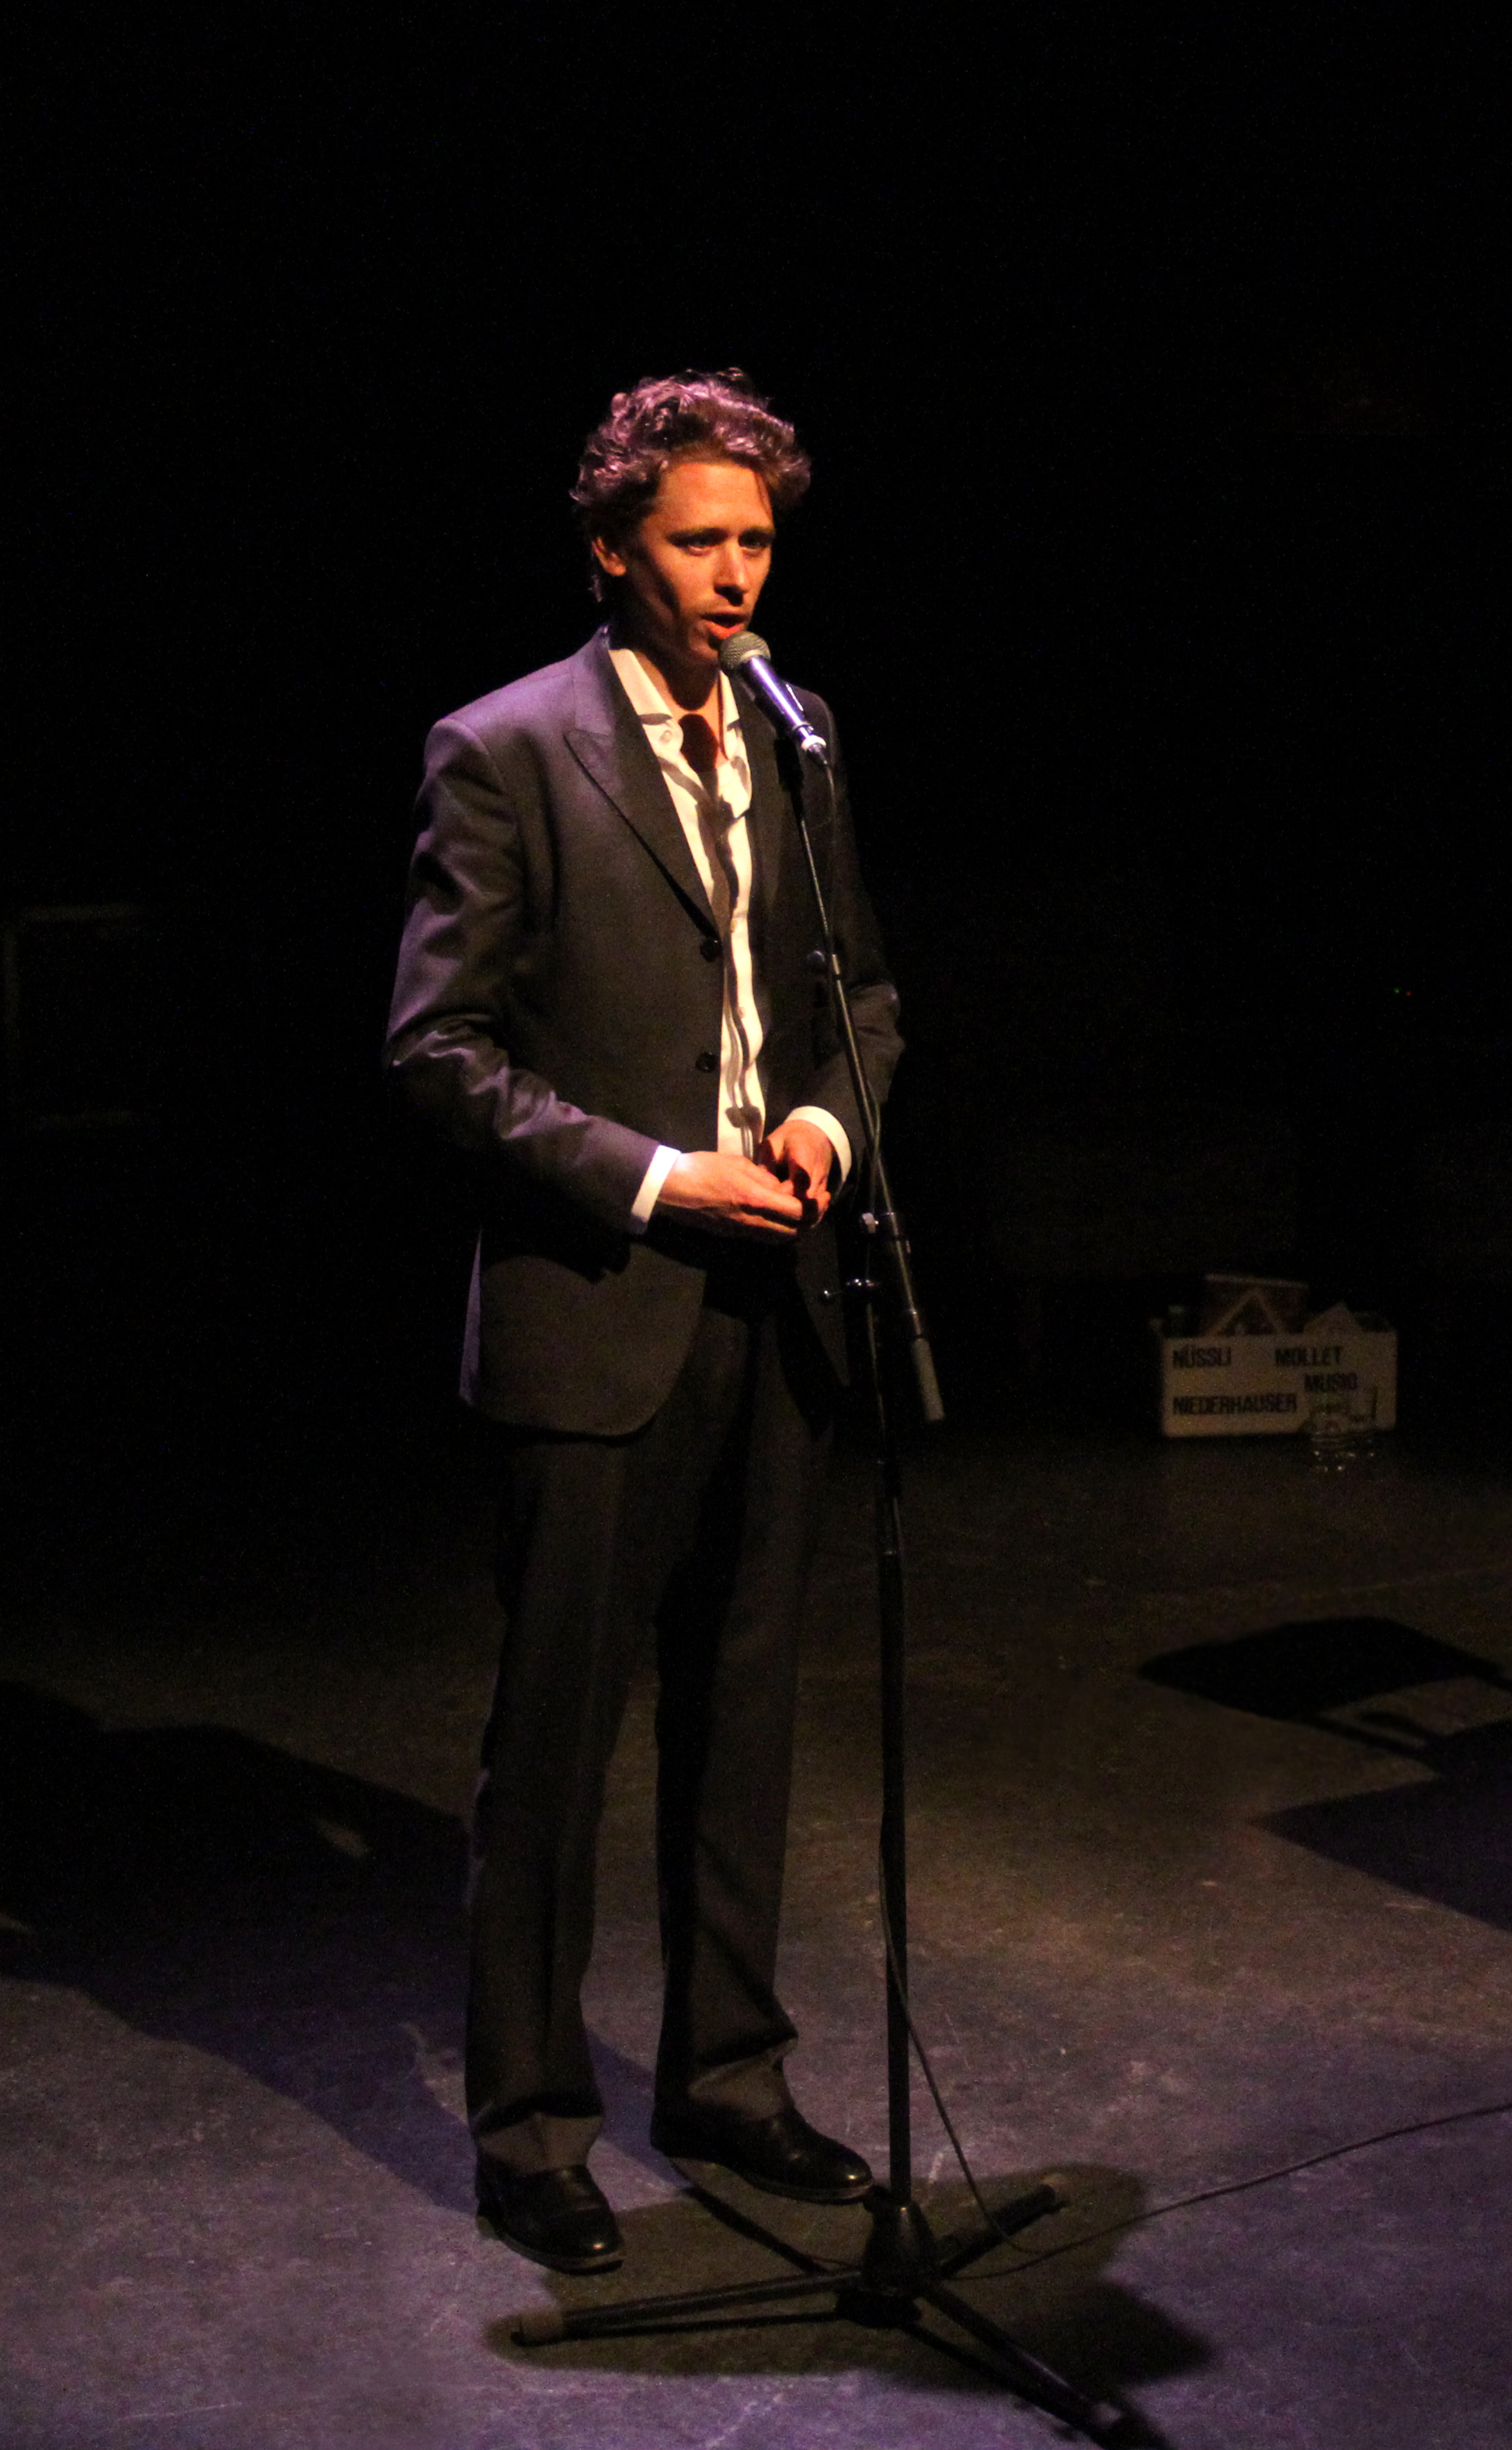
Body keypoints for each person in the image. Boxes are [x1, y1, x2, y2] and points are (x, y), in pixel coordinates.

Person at [384, 371, 902, 2276]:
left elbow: (863, 988)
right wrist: (658, 1175)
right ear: (613, 548)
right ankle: (529, 2126)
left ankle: (732, 2081)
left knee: (744, 1711)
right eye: (700, 541)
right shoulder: (504, 748)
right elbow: (437, 1054)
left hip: (784, 1297)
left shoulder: (797, 727)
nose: (737, 576)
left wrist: (833, 1115)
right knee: (561, 1742)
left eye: (760, 540)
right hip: (600, 1303)